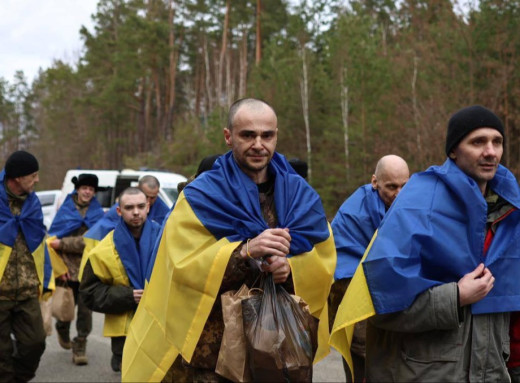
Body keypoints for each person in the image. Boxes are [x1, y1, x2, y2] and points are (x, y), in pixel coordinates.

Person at [121, 98, 336, 382]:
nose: (258, 144)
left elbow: (324, 257)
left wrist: (291, 269)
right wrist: (243, 252)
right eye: (248, 135)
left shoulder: (301, 194)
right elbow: (182, 264)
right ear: (228, 136)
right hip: (214, 349)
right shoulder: (201, 195)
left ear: (276, 136)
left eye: (267, 135)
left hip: (280, 345)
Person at [330, 105, 520, 382]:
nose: (490, 151)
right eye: (478, 141)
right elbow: (380, 303)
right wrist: (456, 297)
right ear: (453, 150)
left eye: (497, 142)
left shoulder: (510, 214)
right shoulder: (415, 205)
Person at [329, 154, 409, 382]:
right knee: (364, 361)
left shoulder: (409, 202)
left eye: (405, 185)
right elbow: (342, 262)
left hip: (386, 292)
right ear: (375, 182)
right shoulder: (355, 213)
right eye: (391, 187)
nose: (399, 193)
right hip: (351, 290)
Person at [79, 187, 161, 373]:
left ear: (148, 207)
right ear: (119, 211)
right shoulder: (103, 250)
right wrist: (128, 296)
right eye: (129, 207)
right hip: (125, 333)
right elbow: (88, 293)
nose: (136, 212)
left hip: (161, 327)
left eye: (141, 206)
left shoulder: (165, 238)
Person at [0, 150, 51, 382]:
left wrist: (48, 277)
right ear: (17, 177)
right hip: (0, 291)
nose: (37, 180)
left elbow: (39, 241)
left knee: (35, 343)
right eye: (33, 175)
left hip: (27, 289)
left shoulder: (33, 202)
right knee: (2, 354)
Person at [46, 173, 104, 365]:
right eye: (84, 188)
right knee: (66, 306)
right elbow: (52, 238)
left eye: (91, 189)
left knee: (85, 310)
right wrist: (58, 263)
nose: (87, 192)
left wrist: (63, 243)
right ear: (78, 189)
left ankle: (80, 344)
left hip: (88, 267)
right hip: (65, 268)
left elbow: (90, 241)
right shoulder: (66, 209)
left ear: (94, 192)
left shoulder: (97, 213)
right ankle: (62, 328)